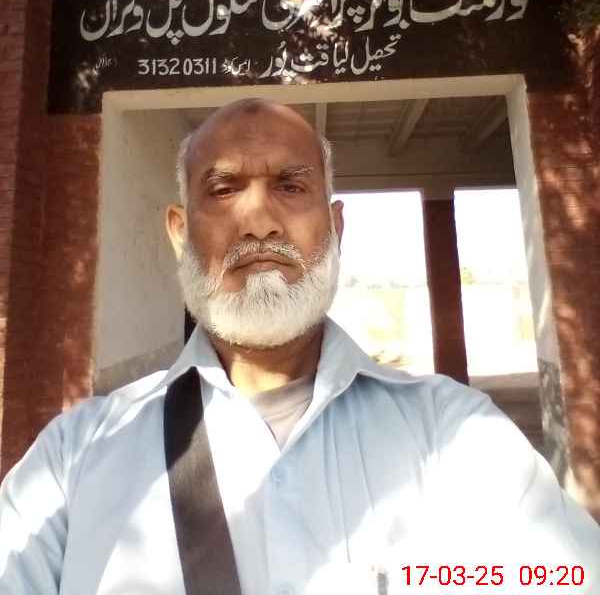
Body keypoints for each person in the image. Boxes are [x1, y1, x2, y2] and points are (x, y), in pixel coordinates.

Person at [0, 97, 598, 595]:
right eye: (224, 188)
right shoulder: (72, 460)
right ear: (180, 234)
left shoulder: (458, 435)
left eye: (290, 186)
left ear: (335, 228)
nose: (259, 222)